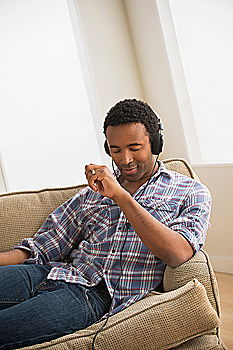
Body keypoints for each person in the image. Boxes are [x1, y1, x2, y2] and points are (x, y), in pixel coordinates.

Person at [0, 99, 211, 349]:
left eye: (135, 147)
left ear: (155, 143)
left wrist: (121, 196)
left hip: (93, 296)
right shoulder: (91, 193)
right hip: (52, 273)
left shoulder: (189, 191)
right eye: (116, 149)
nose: (125, 159)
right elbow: (42, 247)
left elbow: (178, 253)